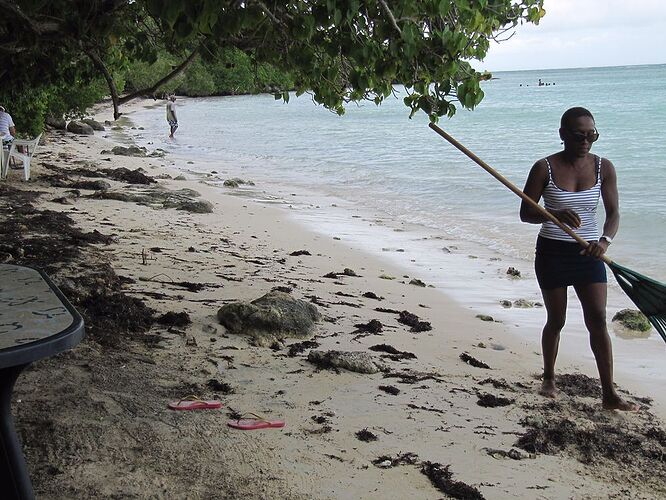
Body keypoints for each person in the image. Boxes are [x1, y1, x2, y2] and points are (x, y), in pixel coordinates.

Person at [520, 106, 638, 411]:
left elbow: (613, 214)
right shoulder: (543, 168)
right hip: (552, 253)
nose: (586, 141)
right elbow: (526, 213)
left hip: (588, 253)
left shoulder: (604, 168)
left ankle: (609, 393)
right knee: (556, 320)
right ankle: (548, 377)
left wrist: (604, 241)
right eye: (579, 135)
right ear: (563, 135)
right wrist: (554, 214)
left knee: (597, 318)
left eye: (592, 135)